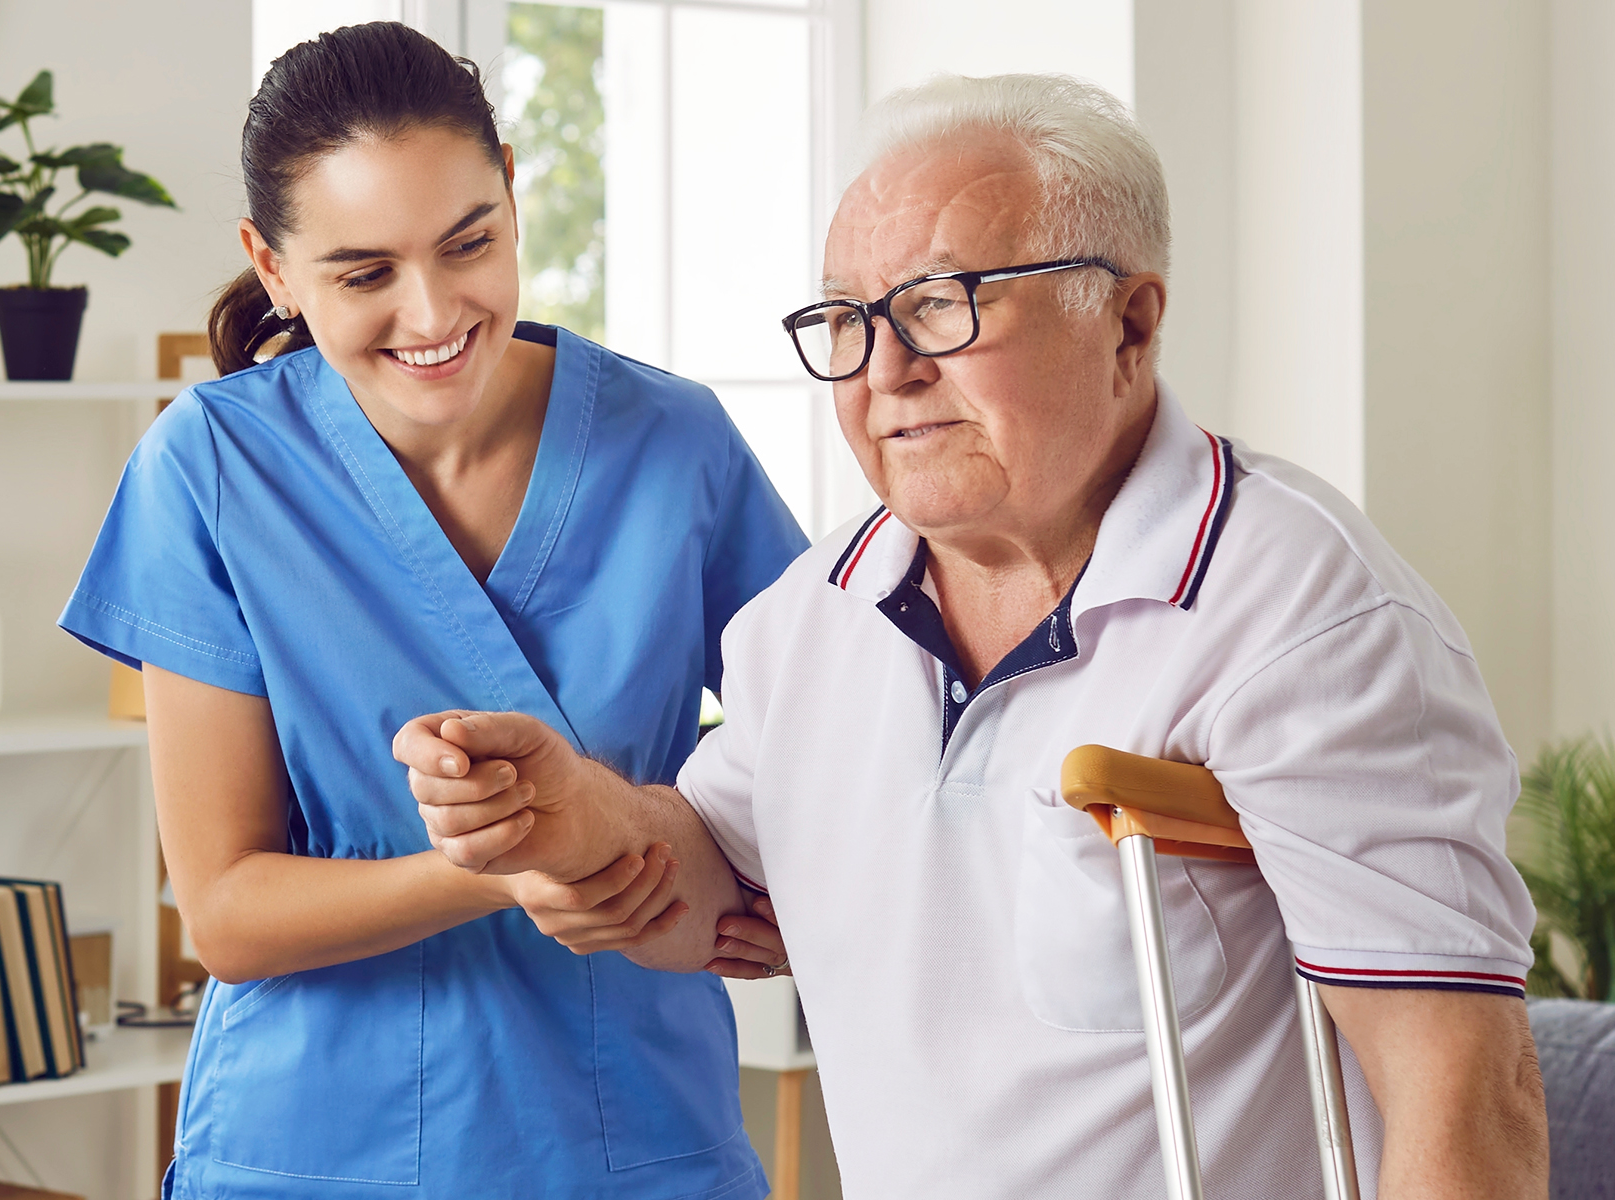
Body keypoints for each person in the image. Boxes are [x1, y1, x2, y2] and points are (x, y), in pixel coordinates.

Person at [395, 73, 1551, 1199]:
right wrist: (579, 816)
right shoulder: (808, 621)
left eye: (943, 305)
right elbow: (708, 882)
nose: (886, 372)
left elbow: (1467, 1107)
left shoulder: (1305, 615)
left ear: (1130, 323)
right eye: (848, 319)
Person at [58, 22, 806, 1200]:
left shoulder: (675, 446)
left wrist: (762, 883)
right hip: (312, 1149)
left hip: (632, 1139)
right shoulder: (209, 469)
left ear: (511, 189)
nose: (433, 312)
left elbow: (824, 752)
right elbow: (227, 913)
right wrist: (520, 863)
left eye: (471, 244)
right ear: (272, 266)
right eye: (363, 274)